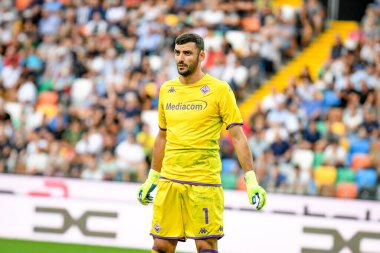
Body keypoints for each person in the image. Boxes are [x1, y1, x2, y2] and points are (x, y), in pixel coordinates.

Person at [137, 33, 267, 253]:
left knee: (206, 246)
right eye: (177, 53)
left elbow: (238, 135)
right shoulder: (167, 90)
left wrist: (251, 180)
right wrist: (152, 177)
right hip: (170, 180)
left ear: (202, 56)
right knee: (161, 245)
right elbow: (162, 136)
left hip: (203, 182)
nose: (181, 58)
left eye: (187, 53)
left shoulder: (219, 90)